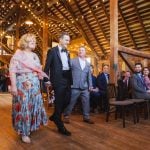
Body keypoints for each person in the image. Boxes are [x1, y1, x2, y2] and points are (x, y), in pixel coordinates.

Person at [9, 33, 48, 143]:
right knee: (24, 107)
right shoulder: (18, 54)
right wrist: (14, 86)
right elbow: (12, 71)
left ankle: (30, 127)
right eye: (31, 40)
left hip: (35, 84)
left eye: (34, 41)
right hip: (22, 84)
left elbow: (38, 69)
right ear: (25, 41)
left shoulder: (35, 55)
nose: (34, 42)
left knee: (34, 105)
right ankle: (24, 132)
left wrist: (40, 75)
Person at [44, 32, 72, 136]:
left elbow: (67, 66)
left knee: (68, 99)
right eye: (66, 40)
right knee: (59, 102)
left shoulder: (67, 52)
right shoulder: (52, 51)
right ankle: (60, 126)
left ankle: (55, 115)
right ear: (60, 40)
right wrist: (46, 79)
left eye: (68, 40)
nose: (68, 42)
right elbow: (47, 67)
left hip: (67, 79)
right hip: (58, 79)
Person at [63, 46, 94, 124]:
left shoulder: (88, 63)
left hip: (85, 87)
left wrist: (90, 85)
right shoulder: (72, 61)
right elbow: (67, 72)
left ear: (85, 52)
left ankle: (86, 117)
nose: (80, 51)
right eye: (79, 50)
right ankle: (66, 116)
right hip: (74, 86)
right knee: (71, 102)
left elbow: (89, 75)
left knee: (86, 102)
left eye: (82, 50)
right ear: (78, 52)